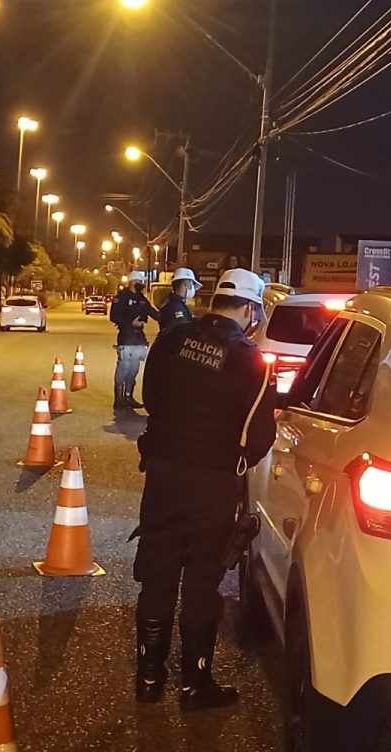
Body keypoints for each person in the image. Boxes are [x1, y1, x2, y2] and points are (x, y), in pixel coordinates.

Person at [132, 268, 277, 711]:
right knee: (202, 581)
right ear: (251, 309)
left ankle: (149, 678)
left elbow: (151, 398)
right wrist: (231, 462)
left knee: (157, 572)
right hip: (213, 484)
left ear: (213, 300)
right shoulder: (252, 360)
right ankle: (196, 684)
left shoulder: (171, 339)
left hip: (163, 474)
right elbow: (259, 436)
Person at [110, 270, 160, 410]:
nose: (141, 285)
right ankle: (119, 399)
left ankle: (129, 397)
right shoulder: (122, 297)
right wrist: (129, 323)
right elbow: (114, 316)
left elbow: (154, 313)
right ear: (132, 282)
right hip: (126, 337)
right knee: (123, 369)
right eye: (139, 282)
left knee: (134, 370)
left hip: (139, 338)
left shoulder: (142, 298)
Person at [157, 267, 200, 333]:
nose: (193, 288)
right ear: (186, 282)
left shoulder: (173, 303)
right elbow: (181, 331)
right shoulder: (176, 307)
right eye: (193, 284)